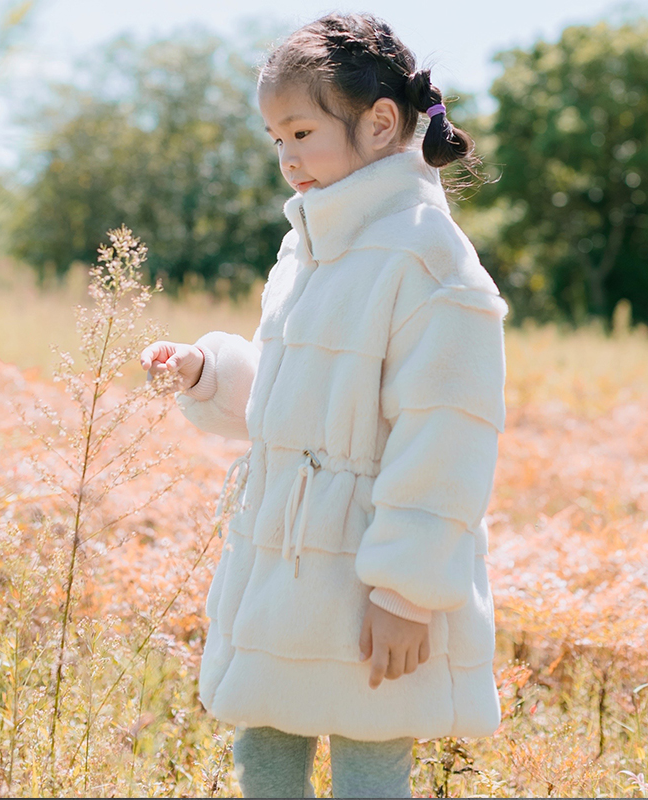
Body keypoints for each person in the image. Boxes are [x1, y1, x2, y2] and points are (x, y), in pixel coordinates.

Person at [140, 12, 509, 799]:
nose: (287, 158)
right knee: (264, 754)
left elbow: (447, 437)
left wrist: (407, 592)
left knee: (368, 762)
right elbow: (289, 393)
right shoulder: (310, 243)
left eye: (302, 131)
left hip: (372, 569)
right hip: (287, 557)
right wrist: (209, 371)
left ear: (380, 123)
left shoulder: (428, 257)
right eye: (276, 139)